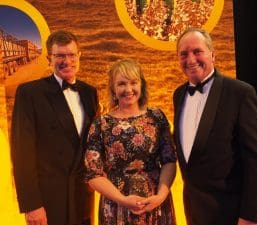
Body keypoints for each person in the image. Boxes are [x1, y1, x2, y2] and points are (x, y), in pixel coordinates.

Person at [173, 28, 257, 225]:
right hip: (193, 210)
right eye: (184, 54)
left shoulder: (240, 93)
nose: (190, 60)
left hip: (231, 213)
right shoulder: (179, 94)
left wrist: (251, 217)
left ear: (213, 54)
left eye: (197, 51)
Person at [11, 30, 99, 225]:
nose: (66, 61)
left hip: (82, 197)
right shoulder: (30, 93)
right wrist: (32, 204)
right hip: (48, 201)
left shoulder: (89, 92)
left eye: (71, 55)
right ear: (48, 58)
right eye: (59, 55)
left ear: (79, 56)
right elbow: (21, 154)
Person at [84, 58, 177, 225]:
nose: (128, 89)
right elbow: (93, 174)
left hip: (155, 203)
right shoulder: (101, 124)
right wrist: (122, 200)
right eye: (121, 84)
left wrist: (161, 196)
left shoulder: (156, 117)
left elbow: (169, 160)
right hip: (116, 207)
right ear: (113, 88)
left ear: (141, 85)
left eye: (133, 82)